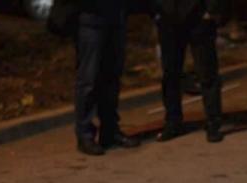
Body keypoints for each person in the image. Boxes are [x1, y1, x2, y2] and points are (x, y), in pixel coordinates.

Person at [74, 0, 140, 155]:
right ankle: (85, 134)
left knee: (112, 77)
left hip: (115, 15)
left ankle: (110, 130)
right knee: (88, 80)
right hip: (91, 16)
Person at [155, 0, 224, 143]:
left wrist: (211, 10)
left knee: (207, 72)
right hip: (168, 17)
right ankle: (173, 123)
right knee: (170, 74)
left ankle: (213, 123)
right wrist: (155, 11)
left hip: (198, 16)